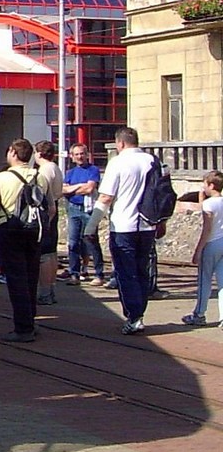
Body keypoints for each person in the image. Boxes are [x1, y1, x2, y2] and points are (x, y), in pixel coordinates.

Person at [86, 126, 158, 335]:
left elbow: (106, 197)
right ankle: (139, 312)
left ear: (121, 143)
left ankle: (133, 316)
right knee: (142, 270)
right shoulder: (153, 161)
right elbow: (162, 195)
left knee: (126, 272)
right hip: (147, 225)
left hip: (123, 225)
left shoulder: (117, 163)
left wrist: (91, 226)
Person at [0, 138, 52, 343]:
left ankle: (23, 329)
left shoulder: (2, 178)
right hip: (34, 231)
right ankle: (31, 319)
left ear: (13, 153)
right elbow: (51, 209)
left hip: (9, 230)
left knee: (16, 280)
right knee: (31, 277)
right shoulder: (40, 178)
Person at [181, 170, 223, 327]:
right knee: (222, 281)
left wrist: (198, 250)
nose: (203, 187)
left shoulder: (208, 204)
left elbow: (207, 229)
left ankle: (199, 314)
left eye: (204, 184)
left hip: (211, 243)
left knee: (204, 280)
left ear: (211, 185)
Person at [59, 143, 103, 286]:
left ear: (87, 154)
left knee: (91, 240)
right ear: (72, 157)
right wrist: (79, 186)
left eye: (82, 153)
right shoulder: (70, 173)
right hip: (73, 209)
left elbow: (90, 188)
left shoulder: (93, 170)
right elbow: (63, 190)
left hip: (88, 209)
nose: (80, 157)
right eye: (76, 154)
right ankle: (74, 274)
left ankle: (98, 273)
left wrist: (73, 188)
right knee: (73, 242)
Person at [34, 140, 64, 305]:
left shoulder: (44, 171)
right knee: (51, 253)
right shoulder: (56, 168)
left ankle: (45, 292)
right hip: (55, 207)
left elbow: (41, 195)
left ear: (39, 154)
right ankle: (50, 289)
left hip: (46, 211)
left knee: (44, 254)